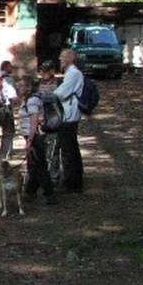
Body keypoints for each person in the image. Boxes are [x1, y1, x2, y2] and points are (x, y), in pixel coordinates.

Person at [19, 80, 57, 205]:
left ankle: (49, 194)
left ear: (28, 88)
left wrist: (30, 140)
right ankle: (30, 191)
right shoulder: (28, 100)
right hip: (33, 136)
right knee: (33, 165)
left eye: (21, 85)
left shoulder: (32, 101)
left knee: (40, 166)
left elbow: (34, 121)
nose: (18, 87)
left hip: (35, 137)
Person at [54, 49, 85, 192]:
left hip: (68, 116)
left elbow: (60, 94)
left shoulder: (73, 74)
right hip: (68, 115)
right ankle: (74, 180)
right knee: (71, 148)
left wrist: (47, 96)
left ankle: (72, 183)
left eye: (61, 58)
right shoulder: (71, 74)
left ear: (69, 59)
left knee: (68, 150)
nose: (60, 61)